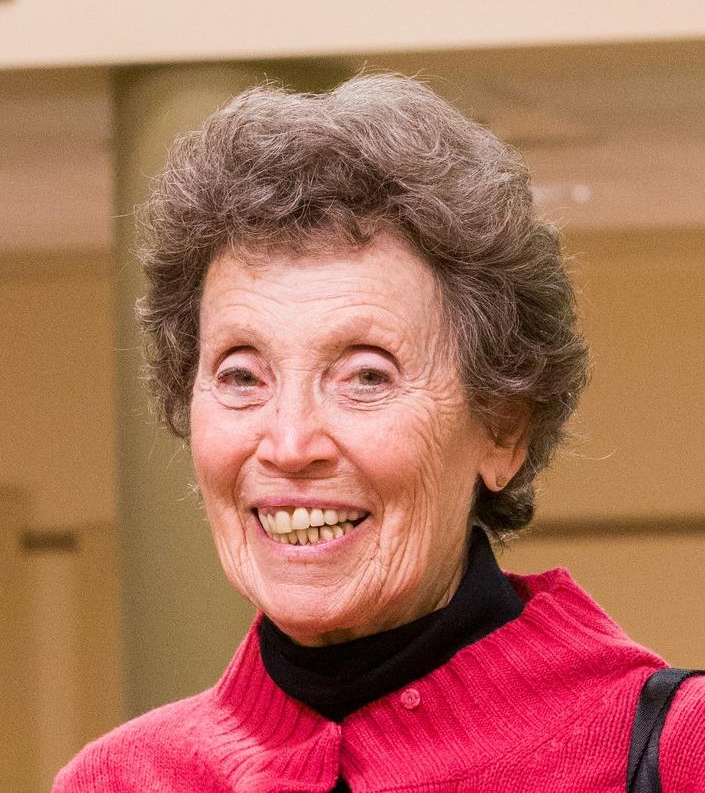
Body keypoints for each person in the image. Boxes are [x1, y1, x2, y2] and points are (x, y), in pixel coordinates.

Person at [53, 74, 704, 792]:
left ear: (502, 428)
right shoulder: (120, 780)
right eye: (241, 376)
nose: (290, 444)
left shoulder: (677, 753)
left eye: (366, 376)